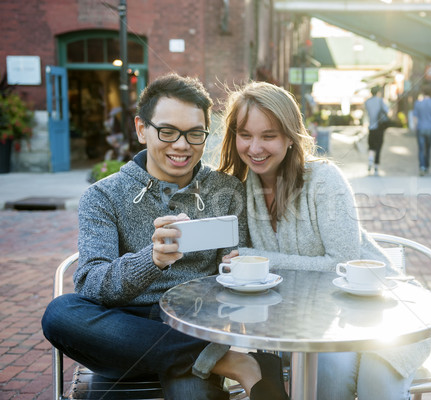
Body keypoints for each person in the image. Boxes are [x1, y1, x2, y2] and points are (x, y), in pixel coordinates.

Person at [41, 74, 288, 400]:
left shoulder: (226, 190)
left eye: (194, 133)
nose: (182, 144)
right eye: (168, 131)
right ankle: (230, 362)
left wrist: (235, 266)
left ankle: (204, 357)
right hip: (122, 332)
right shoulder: (103, 196)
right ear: (142, 129)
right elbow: (90, 284)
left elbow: (232, 281)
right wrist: (151, 259)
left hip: (193, 321)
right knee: (61, 312)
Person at [218, 81, 431, 400]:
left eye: (268, 135)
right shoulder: (238, 189)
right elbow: (233, 261)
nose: (255, 147)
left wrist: (255, 256)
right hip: (317, 325)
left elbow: (341, 263)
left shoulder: (324, 179)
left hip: (383, 308)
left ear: (290, 137)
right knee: (326, 375)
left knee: (377, 382)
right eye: (245, 135)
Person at [412, 86, 431, 176]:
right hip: (430, 128)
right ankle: (427, 166)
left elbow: (415, 117)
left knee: (421, 149)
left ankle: (422, 167)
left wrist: (416, 126)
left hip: (421, 128)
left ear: (423, 93)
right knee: (428, 149)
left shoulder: (418, 103)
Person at [364, 86, 390, 176]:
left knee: (371, 146)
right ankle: (376, 166)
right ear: (378, 92)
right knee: (378, 146)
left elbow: (367, 114)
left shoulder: (367, 102)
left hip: (371, 127)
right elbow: (387, 110)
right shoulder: (380, 101)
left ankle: (370, 160)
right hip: (379, 128)